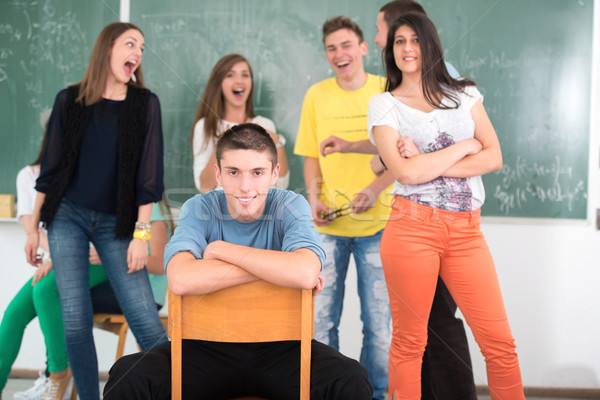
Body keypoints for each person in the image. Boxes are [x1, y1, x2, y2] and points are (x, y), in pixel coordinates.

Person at [102, 123, 373, 399]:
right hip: (205, 349)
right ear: (218, 175)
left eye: (257, 173)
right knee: (128, 374)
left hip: (282, 349)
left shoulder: (291, 205)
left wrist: (221, 250)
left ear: (274, 174)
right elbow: (181, 278)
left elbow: (303, 272)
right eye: (233, 173)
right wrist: (279, 269)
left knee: (350, 378)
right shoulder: (200, 207)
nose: (245, 187)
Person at [319, 1, 477, 398]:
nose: (377, 38)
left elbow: (446, 150)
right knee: (420, 327)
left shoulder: (447, 82)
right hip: (420, 221)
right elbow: (396, 144)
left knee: (438, 322)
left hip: (444, 220)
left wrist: (398, 164)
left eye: (379, 29)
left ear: (409, 32)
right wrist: (359, 148)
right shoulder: (401, 87)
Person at [368, 12, 525, 400]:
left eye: (415, 40)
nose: (407, 48)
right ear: (392, 50)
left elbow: (494, 158)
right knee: (410, 344)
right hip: (411, 229)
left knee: (499, 343)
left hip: (467, 232)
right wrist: (466, 145)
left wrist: (426, 161)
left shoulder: (465, 93)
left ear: (430, 44)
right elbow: (404, 173)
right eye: (399, 41)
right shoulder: (383, 104)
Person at [23, 22, 168, 400]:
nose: (138, 53)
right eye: (130, 43)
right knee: (75, 321)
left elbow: (149, 178)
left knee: (147, 324)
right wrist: (33, 230)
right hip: (67, 216)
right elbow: (50, 172)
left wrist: (141, 234)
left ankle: (175, 393)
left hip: (116, 224)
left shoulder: (145, 104)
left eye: (141, 46)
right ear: (107, 49)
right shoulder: (68, 100)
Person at [293, 16, 392, 400]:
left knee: (379, 330)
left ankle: (376, 395)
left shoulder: (386, 91)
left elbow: (398, 156)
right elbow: (310, 156)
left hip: (379, 227)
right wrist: (315, 197)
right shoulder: (316, 95)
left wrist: (372, 188)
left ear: (364, 48)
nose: (340, 54)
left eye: (346, 45)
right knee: (320, 326)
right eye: (332, 48)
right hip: (328, 231)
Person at [191, 53, 289, 193]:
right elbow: (204, 187)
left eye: (245, 75)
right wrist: (222, 144)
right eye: (230, 75)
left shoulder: (265, 125)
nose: (239, 81)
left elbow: (281, 185)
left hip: (260, 212)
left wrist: (277, 141)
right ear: (219, 83)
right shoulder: (206, 126)